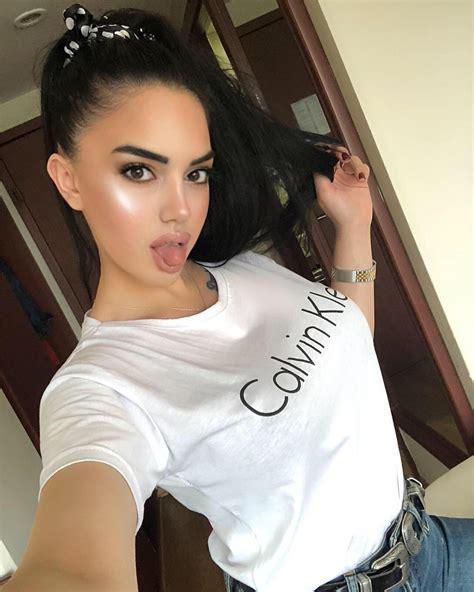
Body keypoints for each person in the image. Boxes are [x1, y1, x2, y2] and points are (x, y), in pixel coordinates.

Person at [5, 4, 473, 592]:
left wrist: (353, 226)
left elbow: (343, 341)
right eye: (140, 171)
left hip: (427, 541)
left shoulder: (240, 268)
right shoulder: (99, 388)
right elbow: (73, 565)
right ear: (68, 179)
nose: (180, 209)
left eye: (196, 173)